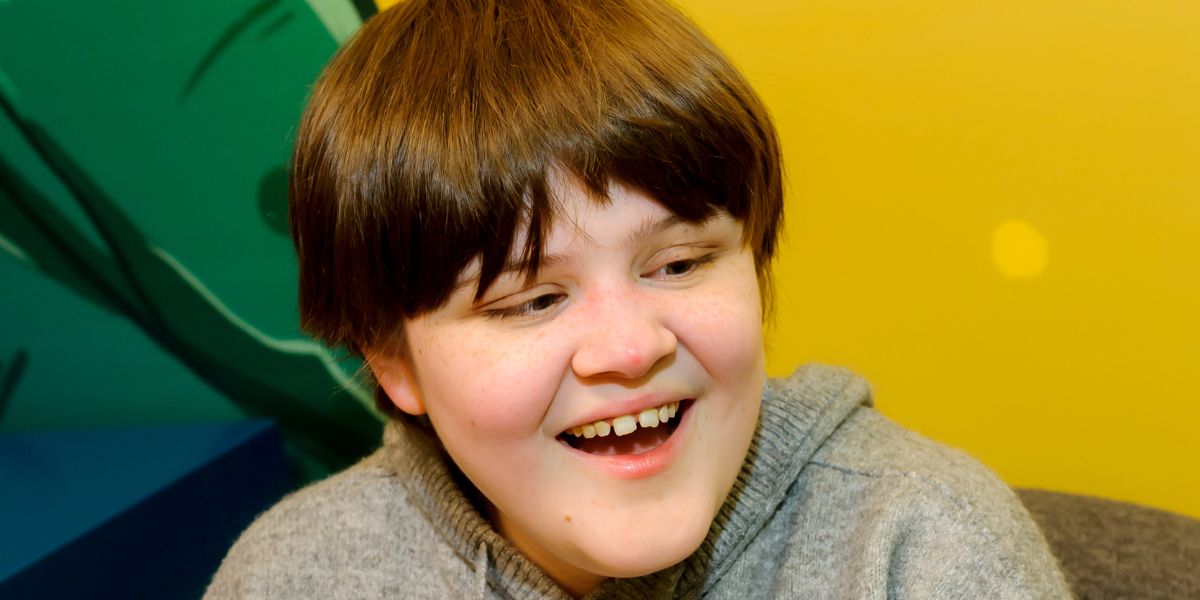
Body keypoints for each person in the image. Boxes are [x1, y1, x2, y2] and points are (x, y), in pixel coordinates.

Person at [206, 0, 1071, 597]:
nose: (629, 347)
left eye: (680, 265)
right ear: (393, 360)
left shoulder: (925, 551)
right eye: (533, 300)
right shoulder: (294, 576)